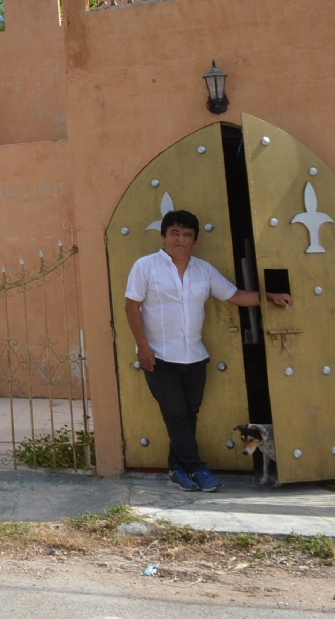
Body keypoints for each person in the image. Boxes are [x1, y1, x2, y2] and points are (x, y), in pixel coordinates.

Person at [125, 209, 292, 492]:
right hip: (158, 356)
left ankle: (177, 469)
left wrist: (270, 297)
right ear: (164, 237)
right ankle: (198, 469)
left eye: (187, 235)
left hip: (194, 357)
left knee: (188, 415)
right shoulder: (146, 266)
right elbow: (132, 306)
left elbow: (235, 295)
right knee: (176, 412)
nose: (181, 239)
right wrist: (143, 347)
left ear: (195, 241)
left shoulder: (203, 270)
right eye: (175, 233)